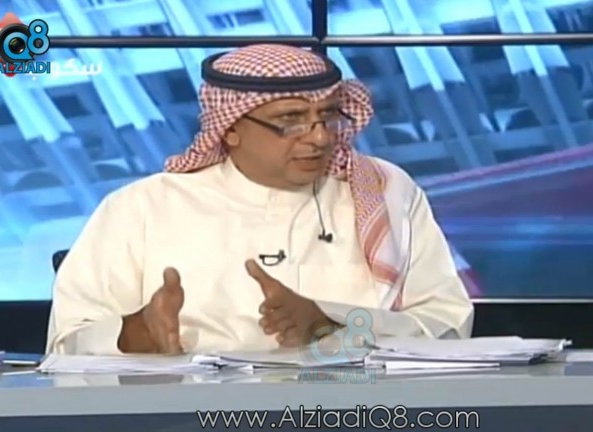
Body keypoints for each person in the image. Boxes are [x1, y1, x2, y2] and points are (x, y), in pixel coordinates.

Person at [45, 44, 476, 356]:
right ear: (231, 128)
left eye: (327, 116)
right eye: (291, 120)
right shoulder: (141, 208)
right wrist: (136, 334)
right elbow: (66, 343)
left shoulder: (383, 191)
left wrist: (333, 327)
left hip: (354, 408)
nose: (320, 138)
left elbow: (447, 325)